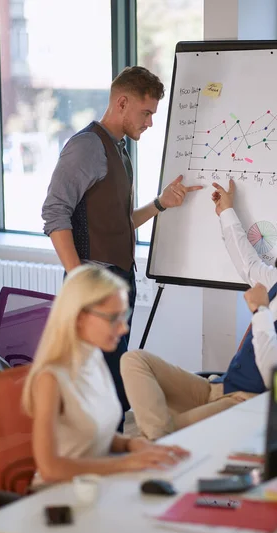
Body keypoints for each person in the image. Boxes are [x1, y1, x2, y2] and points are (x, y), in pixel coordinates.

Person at [120, 180, 277, 440]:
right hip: (218, 386)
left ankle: (158, 442)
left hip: (247, 401)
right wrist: (226, 211)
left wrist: (261, 312)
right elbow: (248, 264)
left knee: (151, 436)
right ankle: (160, 438)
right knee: (134, 360)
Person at [42, 66, 202, 428]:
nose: (149, 122)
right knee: (95, 387)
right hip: (94, 284)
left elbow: (118, 222)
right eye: (146, 113)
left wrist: (161, 204)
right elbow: (55, 214)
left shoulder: (118, 150)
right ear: (123, 102)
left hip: (116, 282)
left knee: (113, 384)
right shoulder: (86, 147)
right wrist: (79, 278)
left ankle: (112, 461)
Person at [22, 265, 189, 488]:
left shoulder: (95, 358)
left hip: (95, 486)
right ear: (80, 317)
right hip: (58, 499)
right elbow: (50, 468)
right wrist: (126, 463)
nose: (123, 328)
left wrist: (133, 445)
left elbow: (95, 435)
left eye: (124, 315)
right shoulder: (50, 379)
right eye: (113, 318)